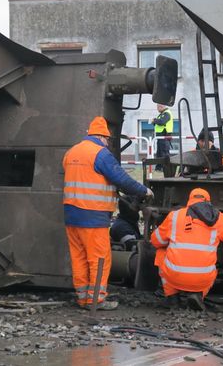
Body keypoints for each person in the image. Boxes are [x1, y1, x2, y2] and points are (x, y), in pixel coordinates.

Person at [63, 116, 154, 310]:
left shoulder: (71, 153)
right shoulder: (100, 154)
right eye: (107, 139)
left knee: (79, 258)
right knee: (99, 259)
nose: (107, 143)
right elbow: (122, 179)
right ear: (103, 137)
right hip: (93, 216)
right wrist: (144, 191)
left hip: (71, 216)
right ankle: (96, 300)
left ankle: (83, 297)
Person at [150, 188, 223, 310]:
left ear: (189, 200)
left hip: (174, 277)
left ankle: (172, 297)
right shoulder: (219, 218)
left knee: (161, 252)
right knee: (210, 263)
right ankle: (198, 294)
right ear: (208, 202)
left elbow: (155, 241)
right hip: (202, 279)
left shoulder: (175, 216)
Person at [151, 104, 173, 173]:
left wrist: (155, 121)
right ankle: (159, 168)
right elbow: (159, 123)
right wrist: (154, 122)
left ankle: (166, 169)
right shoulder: (162, 114)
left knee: (164, 153)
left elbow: (162, 122)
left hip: (165, 136)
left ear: (161, 107)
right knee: (159, 153)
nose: (157, 109)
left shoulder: (167, 113)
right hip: (160, 137)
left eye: (157, 107)